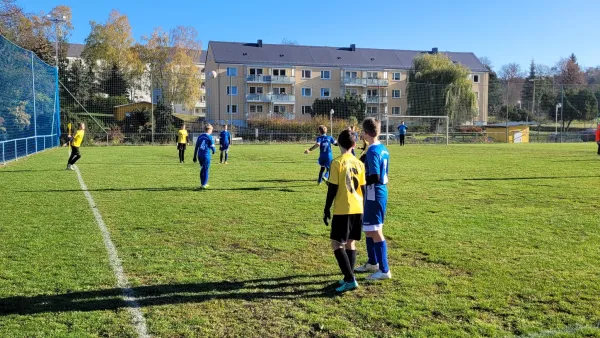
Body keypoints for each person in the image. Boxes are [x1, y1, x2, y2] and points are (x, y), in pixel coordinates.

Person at [323, 129, 366, 292]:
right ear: (354, 145)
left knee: (336, 243)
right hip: (358, 207)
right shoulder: (360, 163)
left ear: (338, 144)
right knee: (350, 242)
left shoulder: (336, 163)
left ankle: (350, 278)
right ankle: (349, 276)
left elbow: (332, 188)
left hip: (343, 208)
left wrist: (326, 208)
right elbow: (362, 188)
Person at [355, 117, 391, 280]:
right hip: (377, 192)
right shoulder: (382, 148)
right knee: (369, 229)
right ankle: (372, 262)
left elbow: (375, 176)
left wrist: (358, 181)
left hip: (374, 193)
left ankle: (384, 270)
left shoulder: (373, 151)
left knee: (376, 230)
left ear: (365, 133)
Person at [193, 124, 216, 189]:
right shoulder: (210, 137)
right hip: (206, 155)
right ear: (209, 130)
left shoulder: (200, 136)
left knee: (202, 168)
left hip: (199, 155)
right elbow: (212, 147)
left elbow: (196, 147)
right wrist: (214, 151)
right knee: (206, 169)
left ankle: (202, 183)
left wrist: (194, 156)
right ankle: (204, 184)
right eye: (212, 130)